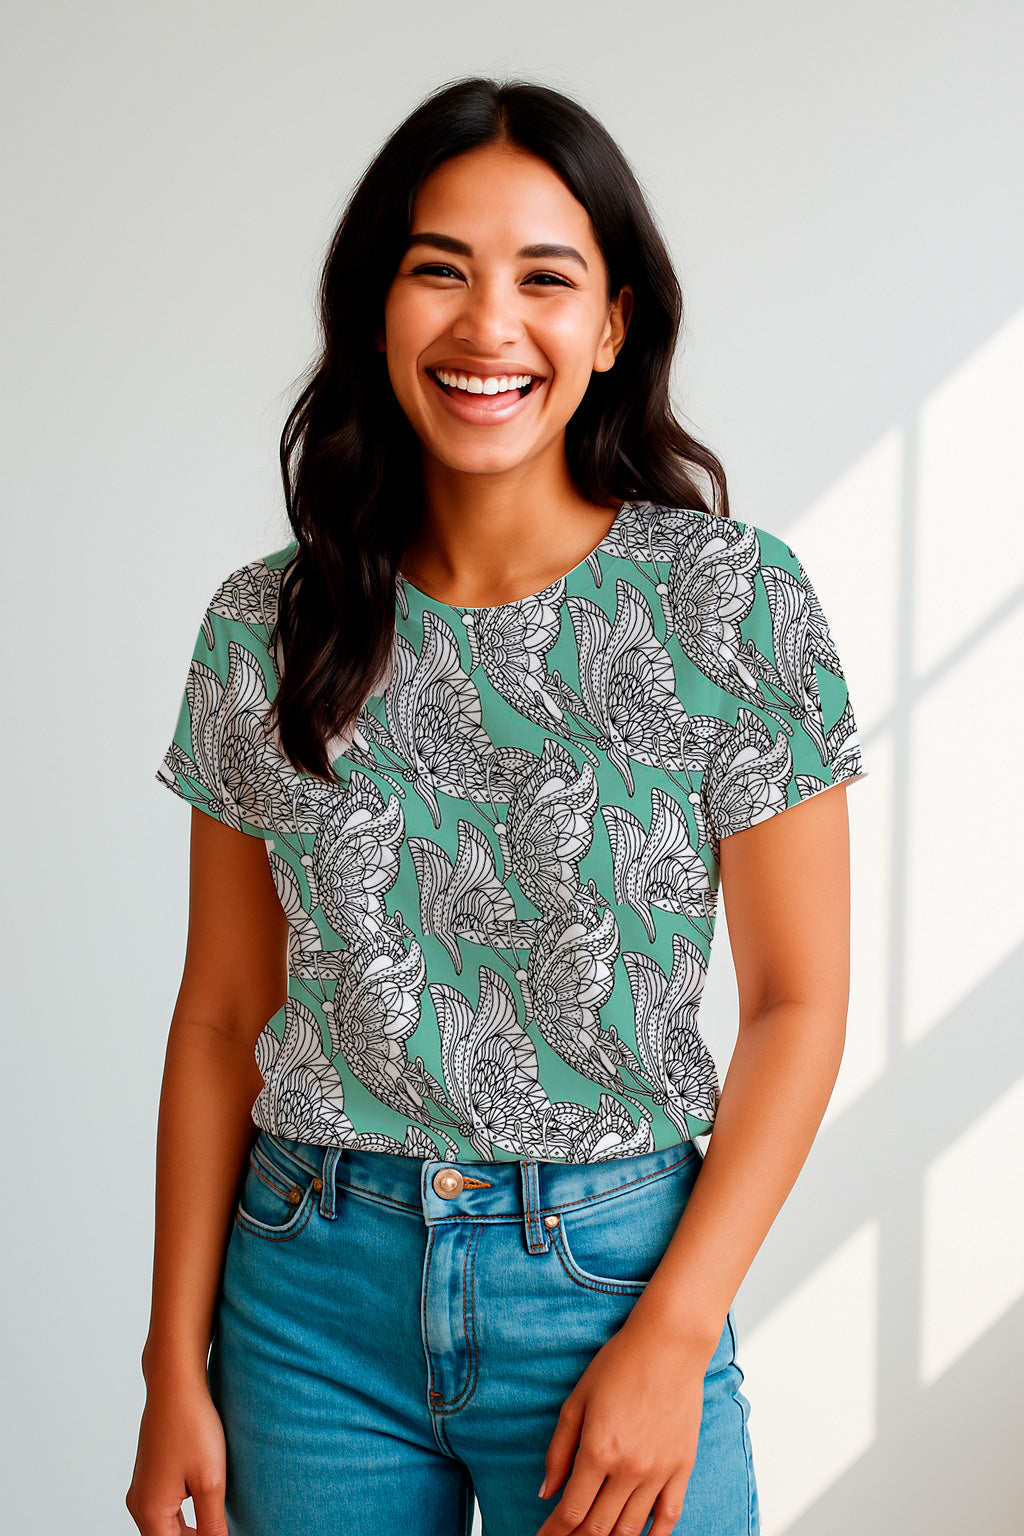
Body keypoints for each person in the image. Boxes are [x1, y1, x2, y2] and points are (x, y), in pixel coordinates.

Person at [126, 75, 869, 1536]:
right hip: (305, 1299)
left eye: (545, 277)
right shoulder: (264, 626)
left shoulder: (729, 601)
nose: (487, 327)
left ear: (613, 324)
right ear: (374, 310)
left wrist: (675, 1333)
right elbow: (219, 1013)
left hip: (609, 1285)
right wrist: (171, 1365)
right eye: (439, 270)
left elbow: (800, 1003)